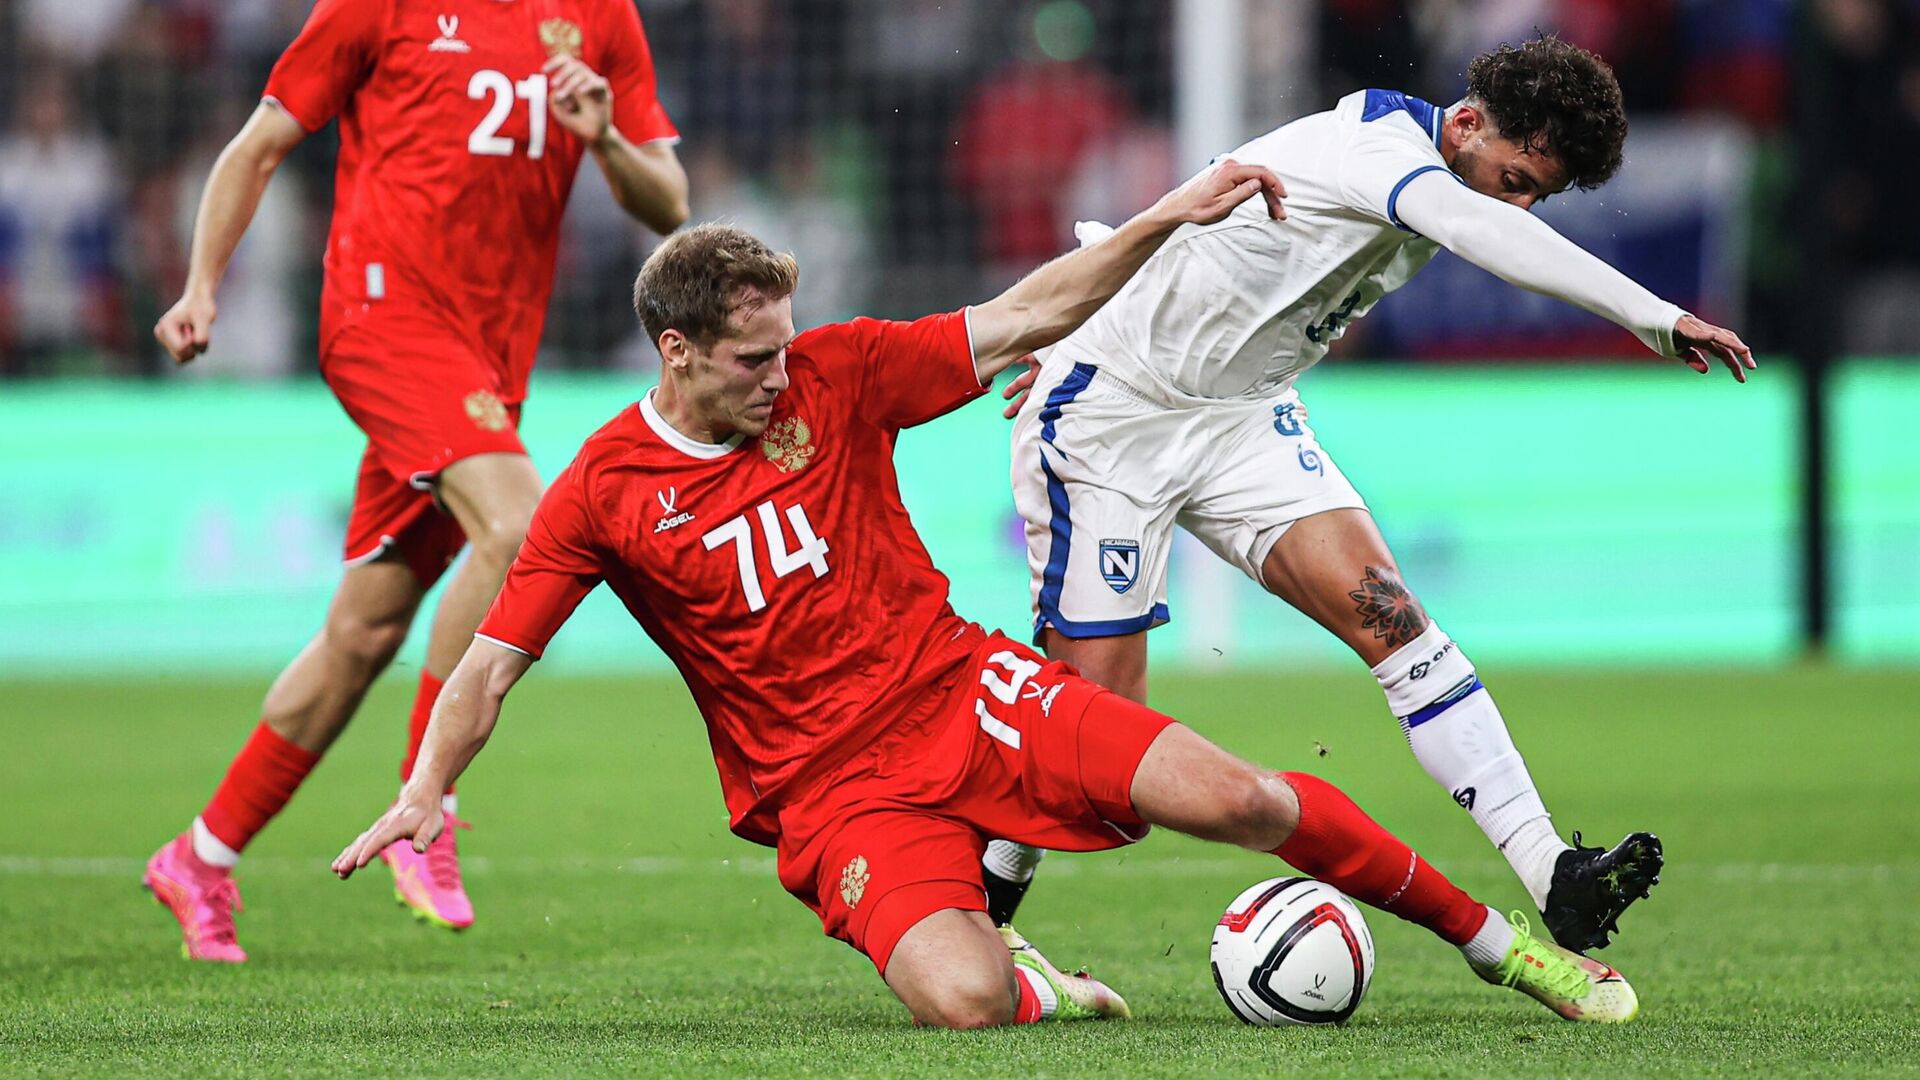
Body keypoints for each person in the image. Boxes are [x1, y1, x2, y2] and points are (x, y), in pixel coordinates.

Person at [333, 163, 1639, 1028]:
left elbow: (1020, 316)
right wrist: (426, 786)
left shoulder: (841, 371)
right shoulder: (602, 491)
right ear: (675, 352)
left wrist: (1162, 221)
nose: (780, 376)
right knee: (959, 1002)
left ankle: (1503, 945)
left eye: (784, 346)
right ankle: (1042, 984)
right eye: (750, 360)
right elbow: (492, 662)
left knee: (1240, 798)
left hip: (964, 689)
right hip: (826, 789)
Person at [980, 37, 1755, 949]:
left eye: (1536, 194)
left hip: (1242, 420)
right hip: (1111, 415)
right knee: (1100, 743)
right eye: (1514, 179)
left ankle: (1554, 872)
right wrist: (1657, 316)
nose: (1516, 203)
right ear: (1467, 124)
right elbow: (1488, 235)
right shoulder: (1377, 149)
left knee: (1398, 624)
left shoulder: (1425, 166)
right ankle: (979, 903)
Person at [144, 0, 689, 962]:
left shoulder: (599, 17)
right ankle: (425, 799)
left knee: (363, 635)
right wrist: (200, 286)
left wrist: (604, 138)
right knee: (518, 527)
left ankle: (199, 857)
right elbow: (259, 145)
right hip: (382, 317)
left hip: (489, 361)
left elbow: (669, 204)